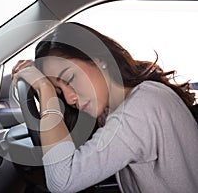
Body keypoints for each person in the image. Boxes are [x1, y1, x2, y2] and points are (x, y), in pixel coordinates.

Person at [12, 22, 198, 193]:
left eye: (70, 79)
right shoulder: (116, 106)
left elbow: (62, 181)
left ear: (99, 60)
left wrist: (45, 90)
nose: (69, 98)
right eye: (60, 91)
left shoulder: (140, 109)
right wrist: (41, 83)